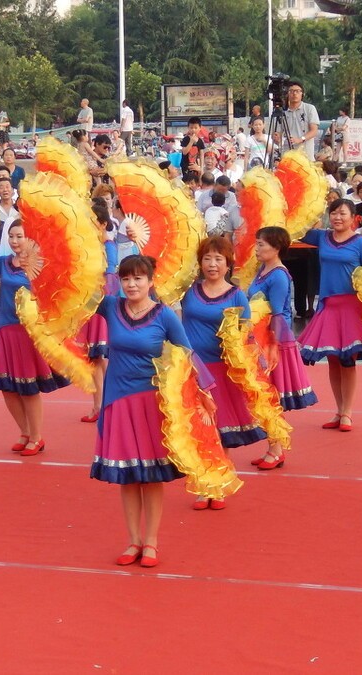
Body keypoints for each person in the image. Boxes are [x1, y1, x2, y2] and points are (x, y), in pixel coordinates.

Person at [93, 254, 215, 568]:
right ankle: (133, 540)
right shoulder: (111, 306)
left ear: (151, 281)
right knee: (128, 475)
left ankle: (151, 542)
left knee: (150, 476)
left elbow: (187, 354)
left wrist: (203, 393)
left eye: (138, 278)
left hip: (153, 402)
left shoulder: (164, 315)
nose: (131, 284)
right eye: (126, 278)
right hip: (118, 401)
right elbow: (78, 292)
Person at [180, 236, 268, 509]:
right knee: (198, 430)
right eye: (207, 258)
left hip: (223, 372)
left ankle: (218, 486)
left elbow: (246, 335)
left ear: (228, 264)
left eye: (218, 259)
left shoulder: (236, 295)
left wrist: (256, 364)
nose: (212, 264)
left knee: (220, 430)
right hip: (192, 369)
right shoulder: (188, 291)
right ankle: (203, 484)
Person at [0, 221, 69, 456]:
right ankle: (25, 432)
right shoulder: (4, 262)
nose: (15, 241)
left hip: (29, 332)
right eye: (11, 236)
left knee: (29, 387)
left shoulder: (44, 265)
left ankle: (37, 437)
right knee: (5, 386)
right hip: (4, 329)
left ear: (31, 239)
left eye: (20, 236)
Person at [298, 199, 362, 431]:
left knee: (347, 360)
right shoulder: (322, 237)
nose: (337, 217)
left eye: (342, 213)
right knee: (332, 360)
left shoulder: (360, 243)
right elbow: (297, 230)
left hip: (351, 307)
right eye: (333, 213)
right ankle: (339, 410)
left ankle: (348, 413)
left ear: (353, 217)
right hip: (328, 306)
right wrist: (306, 206)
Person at [247, 226, 317, 467]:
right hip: (262, 338)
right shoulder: (263, 270)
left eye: (261, 244)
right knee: (264, 395)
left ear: (276, 248)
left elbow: (276, 314)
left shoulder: (278, 275)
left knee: (271, 395)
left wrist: (271, 348)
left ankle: (276, 449)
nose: (257, 249)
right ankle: (273, 446)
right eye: (257, 243)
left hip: (273, 341)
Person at [77, 203, 119, 424]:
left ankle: (101, 405)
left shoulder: (108, 246)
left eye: (94, 222)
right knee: (96, 359)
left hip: (101, 305)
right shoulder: (91, 246)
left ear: (103, 224)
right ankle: (100, 405)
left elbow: (110, 278)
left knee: (98, 358)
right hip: (92, 303)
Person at [280, 82, 320, 158]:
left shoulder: (309, 108)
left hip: (306, 155)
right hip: (288, 155)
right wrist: (277, 137)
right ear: (287, 94)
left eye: (297, 91)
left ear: (302, 94)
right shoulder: (283, 112)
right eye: (291, 91)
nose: (294, 93)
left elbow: (314, 131)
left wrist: (300, 139)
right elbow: (279, 133)